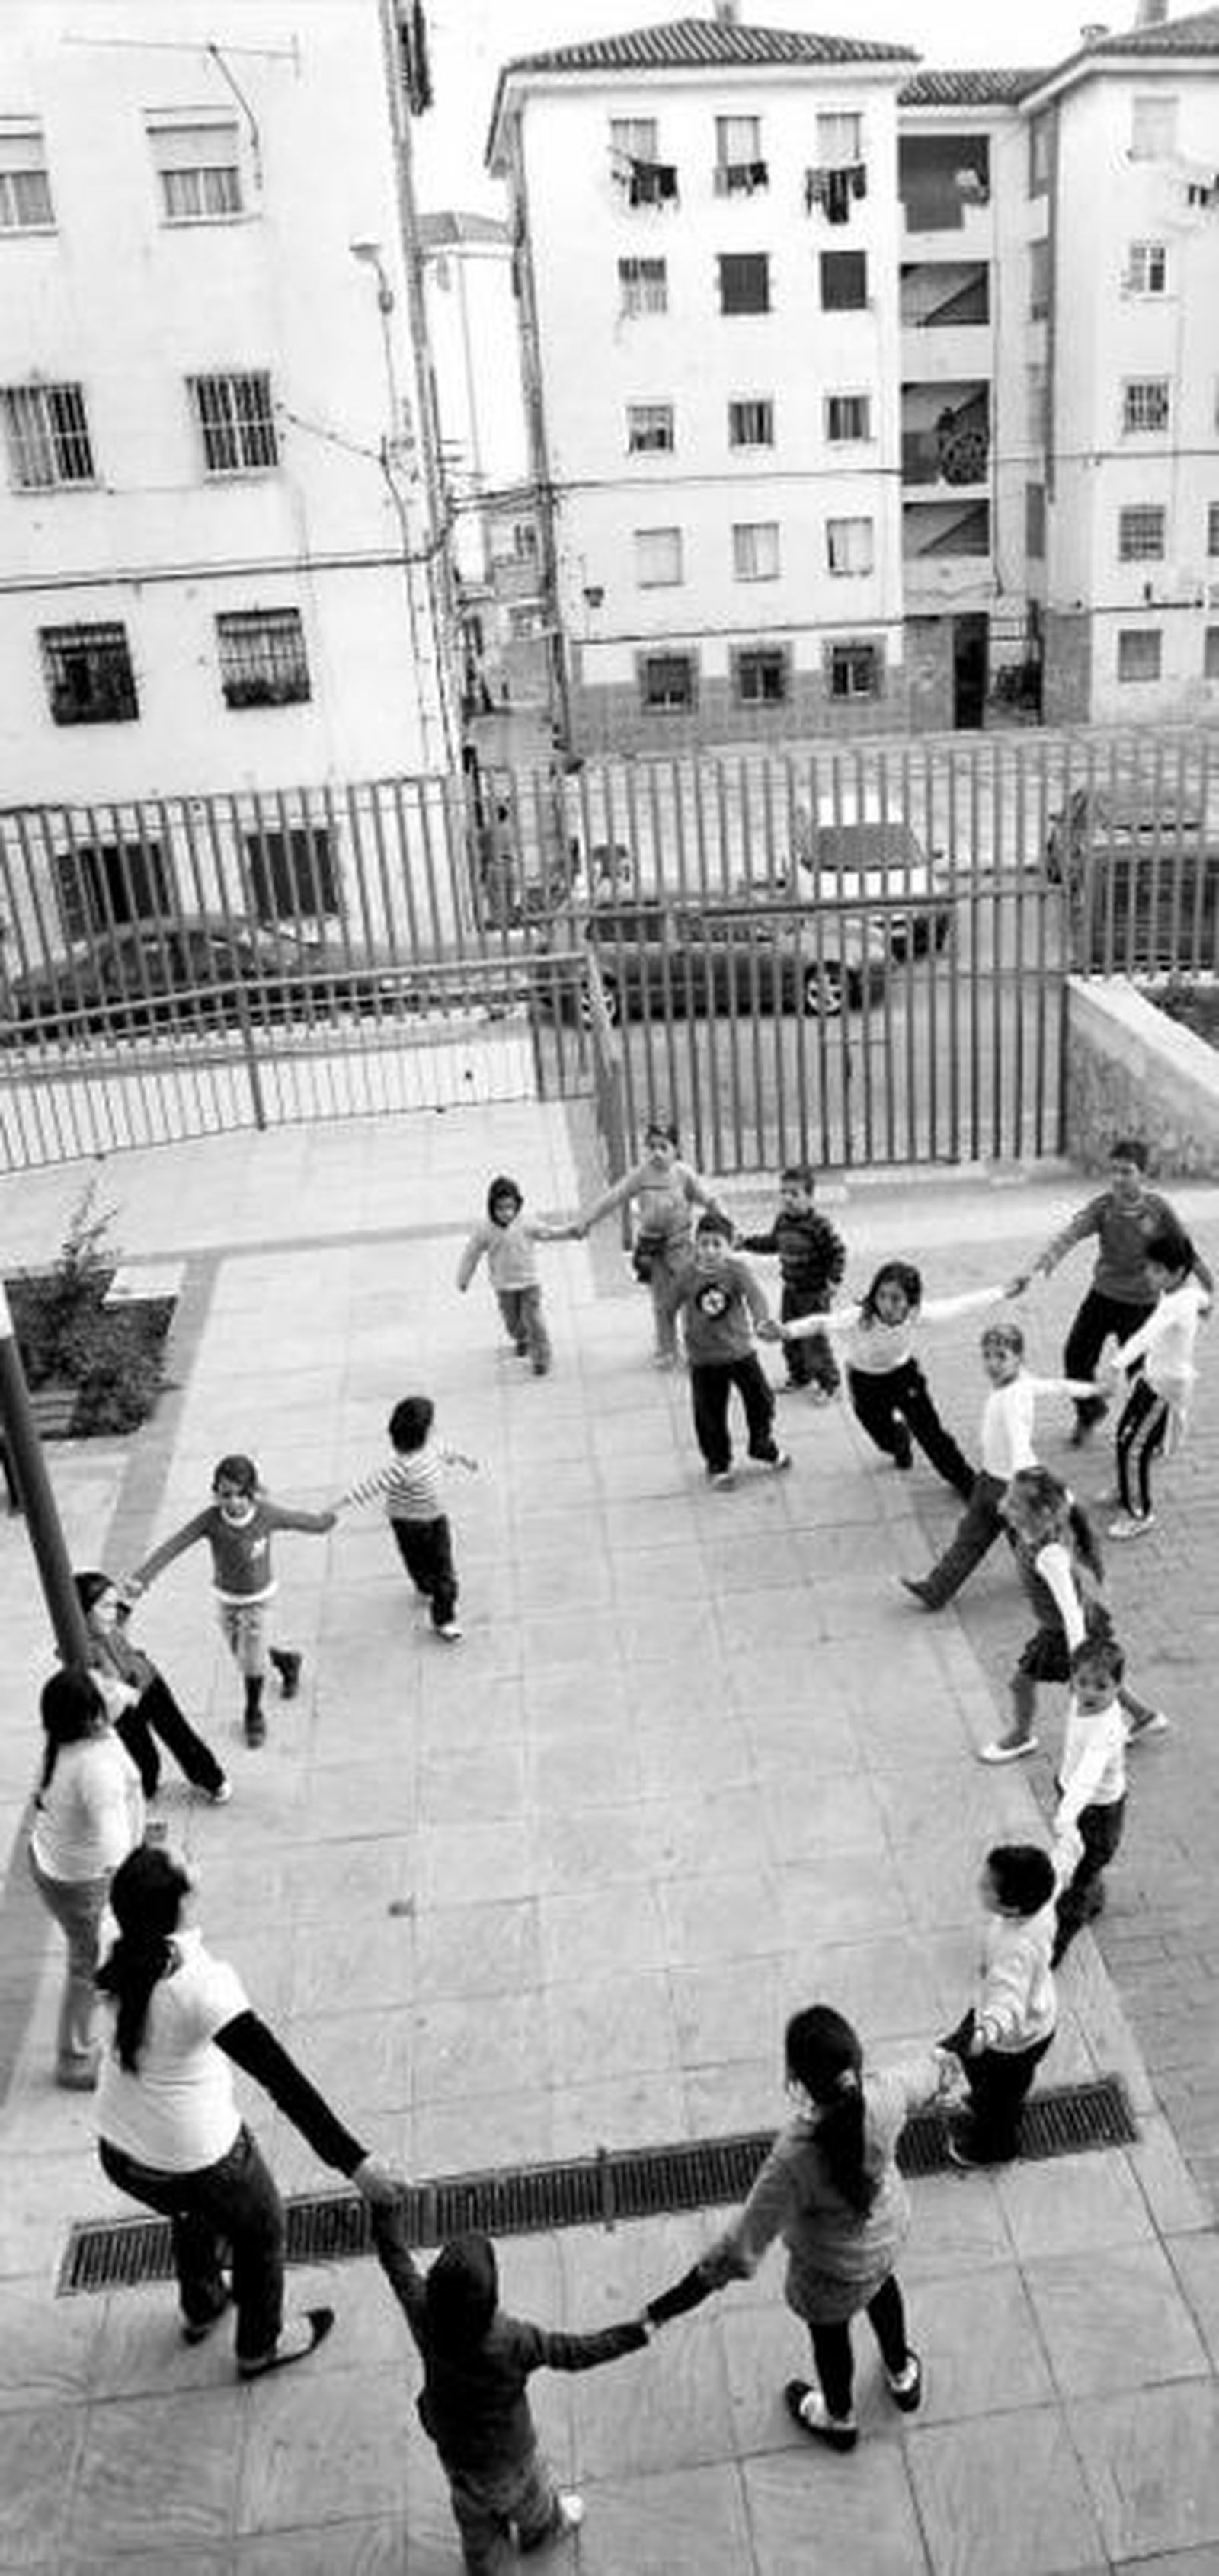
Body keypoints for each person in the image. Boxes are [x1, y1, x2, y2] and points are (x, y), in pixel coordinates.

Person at [94, 1843, 402, 2377]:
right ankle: (258, 2346)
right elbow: (283, 2080)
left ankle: (204, 2304)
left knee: (190, 2212)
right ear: (181, 1904)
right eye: (180, 1861)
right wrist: (357, 2163)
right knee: (259, 2233)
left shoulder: (114, 1936)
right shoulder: (202, 1986)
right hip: (203, 2160)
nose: (188, 1853)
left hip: (120, 2152)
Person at [643, 2005, 960, 2451]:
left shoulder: (793, 2159)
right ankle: (902, 2375)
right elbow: (935, 2070)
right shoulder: (886, 2094)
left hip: (831, 2273)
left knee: (831, 2340)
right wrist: (969, 2040)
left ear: (796, 2079)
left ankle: (839, 2419)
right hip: (885, 2239)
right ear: (855, 2057)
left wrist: (668, 2305)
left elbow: (739, 2249)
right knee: (883, 2290)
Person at [368, 2204, 648, 2571]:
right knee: (531, 2502)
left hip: (454, 2451)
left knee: (473, 2517)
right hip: (507, 2458)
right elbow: (578, 2352)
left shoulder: (424, 2313)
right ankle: (544, 2530)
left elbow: (396, 2263)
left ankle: (485, 2564)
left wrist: (382, 2207)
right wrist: (636, 2333)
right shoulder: (513, 2341)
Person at [1008, 1139, 1212, 1445]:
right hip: (1101, 1298)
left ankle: (1151, 1432)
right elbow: (1069, 1235)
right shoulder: (1103, 1207)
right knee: (1075, 1356)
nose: (1118, 1178)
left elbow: (1184, 1250)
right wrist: (1038, 1266)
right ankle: (1090, 1413)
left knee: (1141, 1375)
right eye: (1113, 1171)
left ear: (1143, 1173)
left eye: (1126, 1172)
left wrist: (1209, 1287)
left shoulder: (1157, 1209)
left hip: (1142, 1305)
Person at [124, 1454, 335, 1749]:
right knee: (245, 1655)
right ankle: (287, 1661)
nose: (234, 1502)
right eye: (226, 1495)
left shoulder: (266, 1515)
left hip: (260, 1601)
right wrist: (143, 1577)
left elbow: (299, 1520)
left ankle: (253, 1713)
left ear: (253, 1491)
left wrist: (323, 1523)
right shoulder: (211, 1520)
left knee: (250, 1662)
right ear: (217, 1493)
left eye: (242, 1494)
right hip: (227, 1600)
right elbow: (175, 1544)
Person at [901, 1320, 1096, 1609]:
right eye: (987, 1355)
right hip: (989, 1482)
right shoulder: (1023, 1382)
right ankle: (937, 1588)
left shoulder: (1013, 1396)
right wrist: (1093, 1390)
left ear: (1019, 1358)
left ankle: (1056, 1587)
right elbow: (1058, 1385)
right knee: (979, 1538)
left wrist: (1018, 1485)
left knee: (1006, 1541)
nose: (992, 1364)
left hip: (1010, 1486)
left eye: (1001, 1356)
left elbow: (1019, 1442)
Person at [977, 1467, 1164, 1764]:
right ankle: (1145, 1716)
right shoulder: (1033, 1528)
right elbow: (1064, 1494)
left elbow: (1071, 1611)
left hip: (1064, 1632)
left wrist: (1079, 1657)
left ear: (1040, 1512)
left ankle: (1021, 1736)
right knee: (1101, 1680)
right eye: (1008, 1498)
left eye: (1014, 1504)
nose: (1003, 1506)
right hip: (1069, 1625)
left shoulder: (1049, 1554)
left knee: (1023, 1683)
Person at [785, 1262, 1005, 1496]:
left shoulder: (915, 1314)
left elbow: (957, 1306)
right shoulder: (859, 1317)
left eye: (896, 1298)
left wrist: (1002, 1292)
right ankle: (899, 1439)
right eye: (882, 1296)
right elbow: (820, 1322)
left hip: (904, 1376)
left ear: (910, 1301)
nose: (887, 1305)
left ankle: (966, 1483)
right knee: (883, 1439)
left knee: (932, 1434)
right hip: (865, 1380)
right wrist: (786, 1331)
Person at [28, 1667, 145, 2088]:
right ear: (88, 1717)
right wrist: (139, 1876)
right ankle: (73, 2059)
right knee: (85, 1963)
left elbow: (121, 1694)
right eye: (98, 1703)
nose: (107, 1701)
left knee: (93, 1953)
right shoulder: (93, 1766)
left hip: (54, 1861)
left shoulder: (66, 1739)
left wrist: (116, 1688)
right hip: (81, 1881)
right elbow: (115, 1849)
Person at [571, 1117, 728, 1366]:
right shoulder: (641, 1175)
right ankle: (667, 1349)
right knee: (663, 1303)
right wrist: (586, 1221)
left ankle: (696, 1346)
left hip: (682, 1249)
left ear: (676, 1149)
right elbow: (612, 1198)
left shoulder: (683, 1175)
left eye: (663, 1147)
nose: (657, 1153)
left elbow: (710, 1200)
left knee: (691, 1300)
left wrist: (727, 1225)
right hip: (654, 1251)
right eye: (652, 1146)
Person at [939, 1843, 1058, 2168]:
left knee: (996, 2096)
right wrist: (1068, 1833)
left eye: (988, 1885)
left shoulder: (1015, 1949)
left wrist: (986, 2033)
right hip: (1036, 2017)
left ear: (1013, 1907)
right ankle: (997, 2102)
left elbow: (1007, 2004)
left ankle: (994, 2148)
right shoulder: (1042, 1904)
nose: (980, 1883)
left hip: (1011, 2040)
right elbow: (1064, 1863)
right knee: (997, 2083)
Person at [74, 1570, 231, 1806]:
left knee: (179, 1734)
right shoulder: (80, 1648)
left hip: (149, 1685)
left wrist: (135, 1591)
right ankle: (145, 1788)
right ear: (82, 1613)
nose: (113, 1614)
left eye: (114, 1605)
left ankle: (212, 1779)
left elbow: (124, 1611)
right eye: (105, 1607)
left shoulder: (110, 1622)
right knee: (140, 1752)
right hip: (122, 1706)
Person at [334, 1395, 477, 1643]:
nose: (435, 1428)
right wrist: (336, 1506)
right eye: (431, 1425)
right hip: (407, 1523)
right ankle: (424, 1583)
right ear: (421, 1434)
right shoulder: (401, 1467)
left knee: (444, 1568)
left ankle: (444, 1617)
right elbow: (368, 1487)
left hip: (436, 1517)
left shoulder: (433, 1445)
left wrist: (464, 1460)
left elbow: (448, 1451)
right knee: (415, 1560)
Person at [664, 1212, 787, 1489]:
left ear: (729, 1246)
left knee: (762, 1399)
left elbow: (756, 1297)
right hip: (704, 1360)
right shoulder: (686, 1275)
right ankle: (718, 1463)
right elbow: (667, 1309)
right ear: (695, 1244)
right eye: (704, 1244)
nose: (710, 1251)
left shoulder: (737, 1270)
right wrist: (670, 1346)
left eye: (717, 1244)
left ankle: (761, 1443)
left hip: (740, 1352)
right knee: (710, 1415)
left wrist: (762, 1321)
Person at [1102, 1225, 1210, 1540]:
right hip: (1150, 1380)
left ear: (1178, 1272)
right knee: (1124, 1438)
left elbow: (1145, 1336)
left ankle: (1139, 1513)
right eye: (1148, 1267)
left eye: (1157, 1270)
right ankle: (1126, 1488)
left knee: (1133, 1447)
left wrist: (1114, 1365)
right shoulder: (1184, 1293)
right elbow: (1203, 1298)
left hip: (1164, 1388)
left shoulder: (1175, 1303)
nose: (1149, 1274)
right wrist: (1207, 1306)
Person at [1051, 1634, 1131, 1964]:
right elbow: (1073, 1628)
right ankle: (1095, 1897)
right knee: (1087, 1864)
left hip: (1097, 1810)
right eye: (1081, 1682)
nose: (1088, 1692)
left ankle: (1055, 1947)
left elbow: (1088, 1777)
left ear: (1118, 1687)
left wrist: (1066, 1817)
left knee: (1077, 1881)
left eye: (1100, 1686)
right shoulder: (1080, 1700)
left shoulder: (1107, 1729)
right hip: (1070, 1791)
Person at [739, 1163, 846, 1400]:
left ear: (809, 1196)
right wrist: (745, 1243)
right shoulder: (783, 1221)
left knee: (814, 1340)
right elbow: (772, 1243)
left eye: (794, 1193)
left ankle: (829, 1383)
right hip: (792, 1290)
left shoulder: (819, 1225)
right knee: (788, 1336)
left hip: (815, 1293)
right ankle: (800, 1376)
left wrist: (833, 1281)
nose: (787, 1198)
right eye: (784, 1192)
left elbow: (837, 1253)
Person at [456, 1175, 571, 1378]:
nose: (507, 1213)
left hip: (529, 1283)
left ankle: (541, 1358)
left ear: (518, 1204)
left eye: (510, 1207)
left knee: (534, 1319)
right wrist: (464, 1279)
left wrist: (571, 1232)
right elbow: (471, 1254)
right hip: (504, 1286)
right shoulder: (485, 1230)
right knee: (513, 1322)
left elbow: (548, 1232)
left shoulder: (526, 1222)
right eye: (500, 1208)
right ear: (492, 1207)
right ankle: (521, 1338)